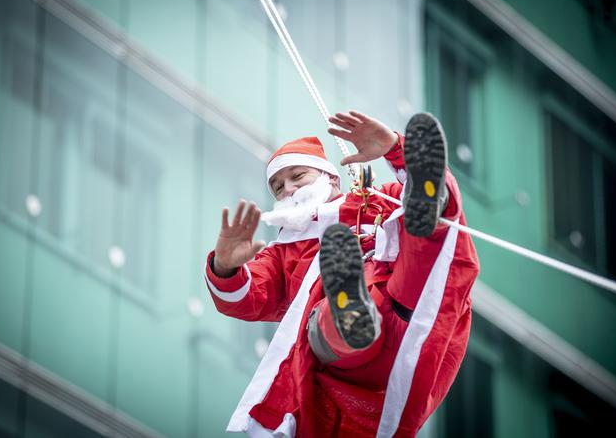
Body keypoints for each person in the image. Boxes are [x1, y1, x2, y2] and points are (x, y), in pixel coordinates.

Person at [203, 111, 479, 437]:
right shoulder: (284, 250)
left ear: (331, 179)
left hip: (405, 312)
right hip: (348, 361)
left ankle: (428, 192)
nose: (288, 189)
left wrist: (394, 149)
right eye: (278, 187)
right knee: (333, 315)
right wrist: (225, 266)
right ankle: (349, 314)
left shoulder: (379, 199)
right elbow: (247, 298)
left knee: (427, 238)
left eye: (298, 177)